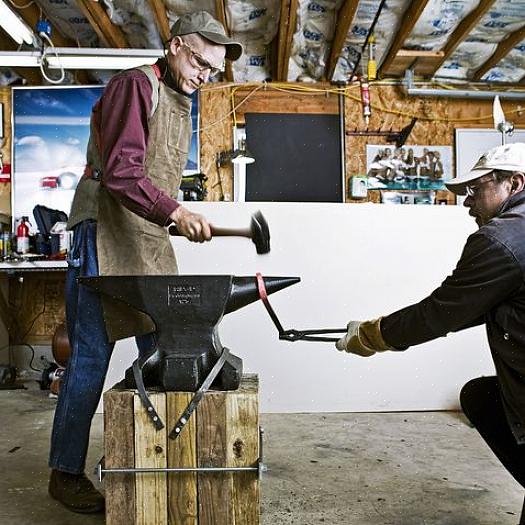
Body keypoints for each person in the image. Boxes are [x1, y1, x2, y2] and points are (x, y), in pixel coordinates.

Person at [47, 11, 242, 514]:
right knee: (90, 353)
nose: (205, 76)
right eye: (201, 63)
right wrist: (174, 209)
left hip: (144, 234)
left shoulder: (179, 99)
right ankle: (65, 473)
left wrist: (171, 218)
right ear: (176, 46)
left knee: (167, 342)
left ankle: (151, 457)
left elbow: (150, 181)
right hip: (102, 230)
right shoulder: (136, 86)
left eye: (213, 71)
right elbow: (121, 172)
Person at [336, 143, 525, 502]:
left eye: (475, 189)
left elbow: (441, 312)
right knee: (481, 396)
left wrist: (373, 335)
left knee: (482, 398)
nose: (467, 202)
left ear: (514, 183)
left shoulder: (501, 239)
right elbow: (476, 306)